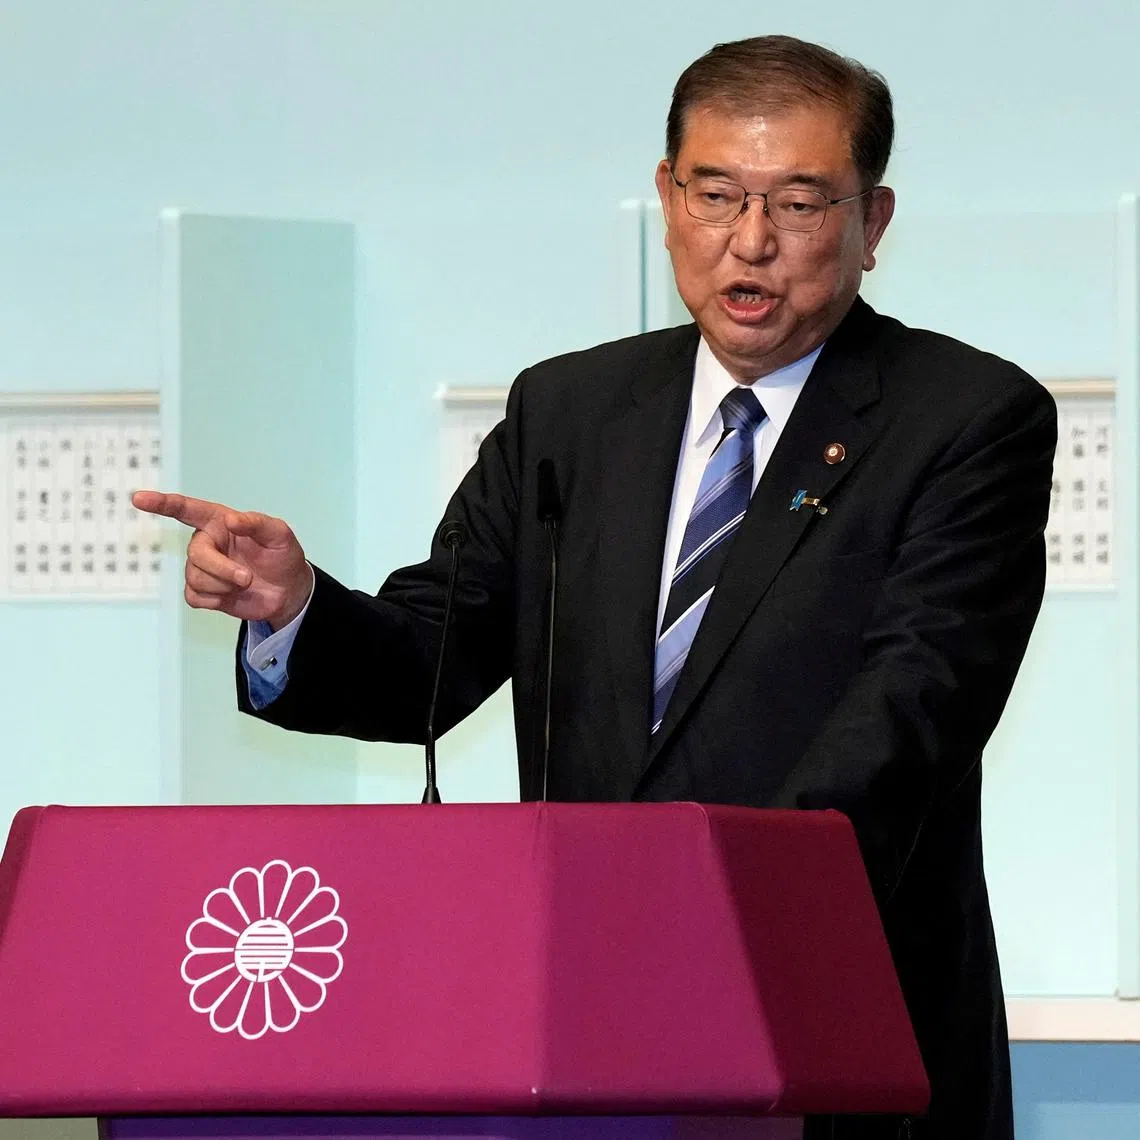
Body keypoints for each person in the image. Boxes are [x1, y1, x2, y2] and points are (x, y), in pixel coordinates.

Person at [134, 35, 1056, 1140]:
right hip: (579, 1027)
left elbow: (916, 708)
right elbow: (436, 657)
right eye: (716, 194)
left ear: (874, 223)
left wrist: (716, 908)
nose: (749, 242)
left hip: (837, 1020)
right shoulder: (568, 413)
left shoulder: (962, 419)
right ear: (668, 198)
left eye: (800, 204)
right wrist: (294, 610)